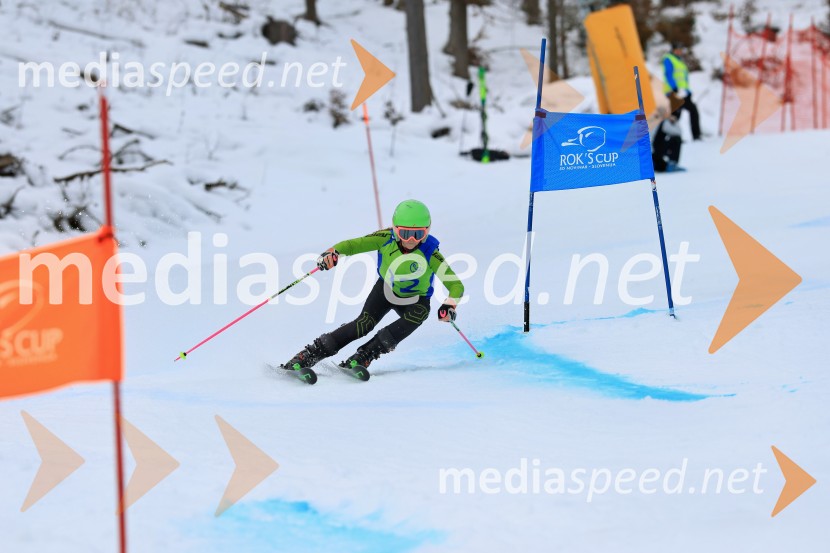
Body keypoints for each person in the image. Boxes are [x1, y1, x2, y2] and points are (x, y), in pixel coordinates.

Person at [283, 199, 465, 381]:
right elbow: (354, 244)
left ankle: (363, 357)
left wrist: (450, 304)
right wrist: (333, 252)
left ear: (427, 231)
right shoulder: (385, 239)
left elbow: (455, 284)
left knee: (419, 314)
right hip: (386, 291)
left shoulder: (430, 253)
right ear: (395, 229)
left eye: (418, 234)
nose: (411, 240)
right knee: (363, 325)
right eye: (405, 233)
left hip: (416, 299)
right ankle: (307, 356)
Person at [663, 43, 701, 141]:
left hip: (683, 93)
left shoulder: (680, 62)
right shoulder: (668, 59)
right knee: (674, 115)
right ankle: (671, 138)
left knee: (692, 110)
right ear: (673, 50)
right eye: (677, 49)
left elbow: (684, 79)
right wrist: (674, 88)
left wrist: (687, 91)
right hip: (673, 92)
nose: (679, 52)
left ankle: (696, 136)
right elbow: (668, 74)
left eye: (680, 50)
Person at [652, 107, 686, 173]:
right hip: (654, 151)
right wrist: (672, 120)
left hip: (653, 151)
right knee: (676, 139)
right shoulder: (664, 122)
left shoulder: (657, 119)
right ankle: (672, 163)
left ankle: (665, 164)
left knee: (661, 167)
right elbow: (678, 132)